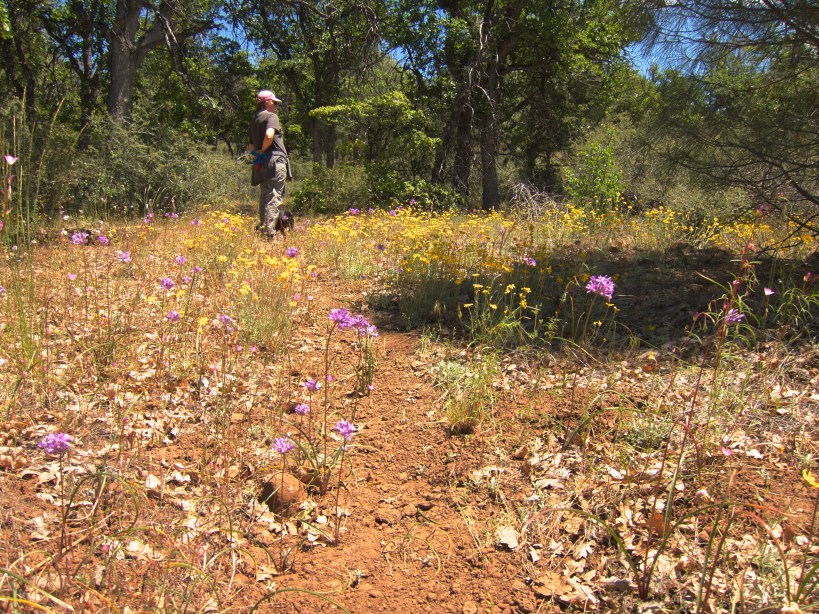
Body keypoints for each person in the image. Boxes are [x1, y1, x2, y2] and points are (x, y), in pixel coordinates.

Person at [248, 90, 291, 237]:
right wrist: (264, 150)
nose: (276, 106)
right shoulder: (272, 116)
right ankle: (270, 233)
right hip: (274, 162)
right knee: (274, 196)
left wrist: (257, 156)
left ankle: (263, 229)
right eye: (274, 102)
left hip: (261, 165)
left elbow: (251, 146)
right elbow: (269, 135)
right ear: (266, 102)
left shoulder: (254, 120)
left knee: (264, 196)